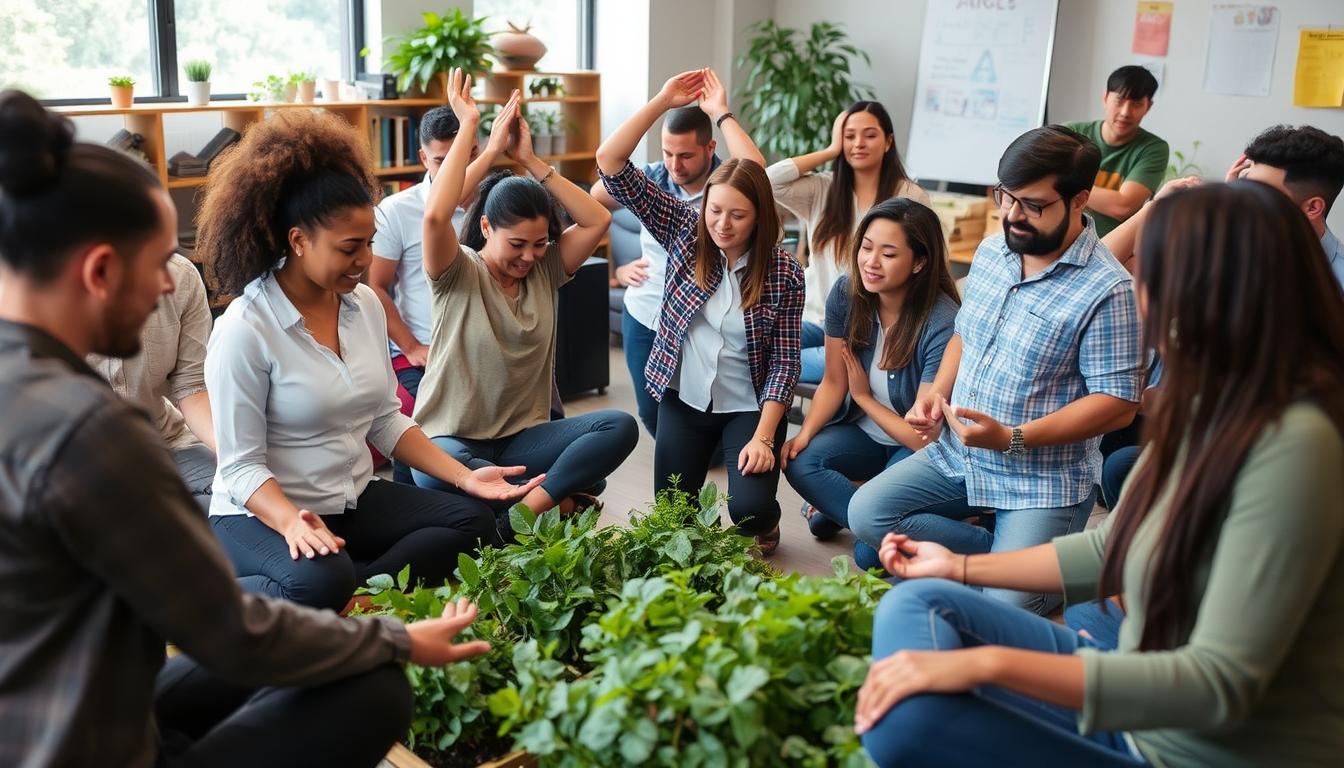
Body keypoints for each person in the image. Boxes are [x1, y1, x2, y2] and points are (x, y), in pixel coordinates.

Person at [0, 89, 494, 768]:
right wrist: (398, 640)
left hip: (68, 705)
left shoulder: (32, 391)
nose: (171, 290)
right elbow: (227, 631)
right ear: (100, 271)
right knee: (374, 687)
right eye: (159, 268)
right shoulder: (89, 431)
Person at [854, 181, 1344, 768]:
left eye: (1154, 277)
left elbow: (1217, 686)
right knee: (920, 604)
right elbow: (1114, 545)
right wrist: (959, 565)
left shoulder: (1300, 444)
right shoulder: (1209, 405)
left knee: (906, 722)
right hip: (1134, 688)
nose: (1141, 299)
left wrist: (985, 663)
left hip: (1173, 747)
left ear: (1216, 294)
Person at [197, 106, 542, 612]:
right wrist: (293, 522)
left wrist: (464, 476)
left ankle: (350, 589)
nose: (364, 262)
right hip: (263, 515)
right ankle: (219, 594)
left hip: (350, 500)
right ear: (298, 241)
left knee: (472, 523)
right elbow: (242, 467)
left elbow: (385, 419)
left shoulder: (363, 307)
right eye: (349, 248)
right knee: (320, 580)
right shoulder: (245, 331)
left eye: (370, 245)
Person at [848, 125, 1144, 614]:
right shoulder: (992, 252)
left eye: (1033, 204)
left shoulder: (1109, 291)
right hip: (961, 457)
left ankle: (1044, 573)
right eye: (1005, 197)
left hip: (1041, 480)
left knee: (1006, 607)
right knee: (866, 515)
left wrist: (1013, 437)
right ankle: (1004, 560)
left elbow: (1117, 406)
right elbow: (967, 332)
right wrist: (934, 393)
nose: (1012, 214)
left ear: (1080, 201)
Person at [411, 70, 635, 540]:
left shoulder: (546, 269)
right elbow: (436, 212)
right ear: (488, 227)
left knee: (619, 427)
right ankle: (555, 499)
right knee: (435, 472)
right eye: (518, 244)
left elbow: (595, 219)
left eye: (541, 243)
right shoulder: (458, 271)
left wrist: (532, 161)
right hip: (453, 441)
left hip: (521, 440)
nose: (529, 257)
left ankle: (525, 508)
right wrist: (474, 132)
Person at [597, 68, 804, 555]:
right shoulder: (684, 231)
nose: (722, 225)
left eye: (737, 215)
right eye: (714, 212)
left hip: (747, 407)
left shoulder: (783, 273)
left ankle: (766, 520)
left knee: (749, 510)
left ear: (759, 216)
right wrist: (661, 102)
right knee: (673, 518)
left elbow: (785, 364)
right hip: (683, 398)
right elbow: (610, 160)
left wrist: (765, 438)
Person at [781, 198, 958, 567]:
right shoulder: (847, 294)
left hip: (914, 450)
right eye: (866, 247)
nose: (871, 262)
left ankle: (879, 526)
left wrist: (863, 397)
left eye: (888, 254)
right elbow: (833, 381)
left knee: (866, 556)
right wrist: (805, 433)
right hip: (864, 436)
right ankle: (877, 522)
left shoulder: (941, 320)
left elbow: (921, 436)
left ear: (919, 262)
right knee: (800, 460)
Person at [768, 101, 930, 385]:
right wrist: (830, 151)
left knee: (775, 365)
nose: (858, 143)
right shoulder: (822, 189)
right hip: (818, 320)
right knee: (753, 350)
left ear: (889, 141)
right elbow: (768, 181)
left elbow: (926, 266)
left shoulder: (909, 197)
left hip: (869, 333)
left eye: (869, 135)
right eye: (849, 135)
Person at [592, 105, 722, 436]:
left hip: (704, 314)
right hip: (646, 309)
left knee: (705, 402)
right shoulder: (651, 178)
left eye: (686, 155)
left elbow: (760, 171)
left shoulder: (728, 186)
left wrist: (721, 111)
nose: (675, 165)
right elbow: (596, 195)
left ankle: (702, 456)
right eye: (668, 152)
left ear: (710, 148)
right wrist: (618, 272)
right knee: (650, 410)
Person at [86, 253, 216, 512]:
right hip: (80, 459)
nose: (168, 281)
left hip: (165, 442)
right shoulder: (32, 291)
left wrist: (234, 455)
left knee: (232, 505)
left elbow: (193, 387)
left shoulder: (182, 276)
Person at [1226, 123, 1344, 292]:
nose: (1246, 201)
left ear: (1312, 208)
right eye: (1245, 185)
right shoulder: (1237, 256)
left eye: (1261, 192)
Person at [1064, 65, 1169, 237]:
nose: (1125, 112)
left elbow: (1122, 206)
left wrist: (1065, 185)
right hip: (1060, 238)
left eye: (1136, 104)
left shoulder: (1153, 148)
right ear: (1105, 98)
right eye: (1119, 101)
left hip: (1111, 248)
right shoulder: (1070, 133)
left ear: (1148, 107)